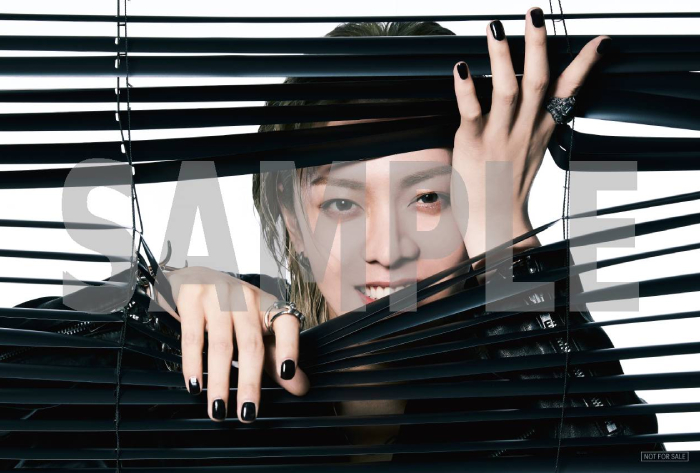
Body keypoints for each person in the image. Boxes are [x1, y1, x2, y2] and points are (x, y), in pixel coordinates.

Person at [4, 8, 663, 467]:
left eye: (430, 197)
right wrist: (145, 306)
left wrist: (507, 239)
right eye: (343, 202)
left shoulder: (526, 392)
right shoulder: (221, 349)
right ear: (292, 217)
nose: (387, 248)